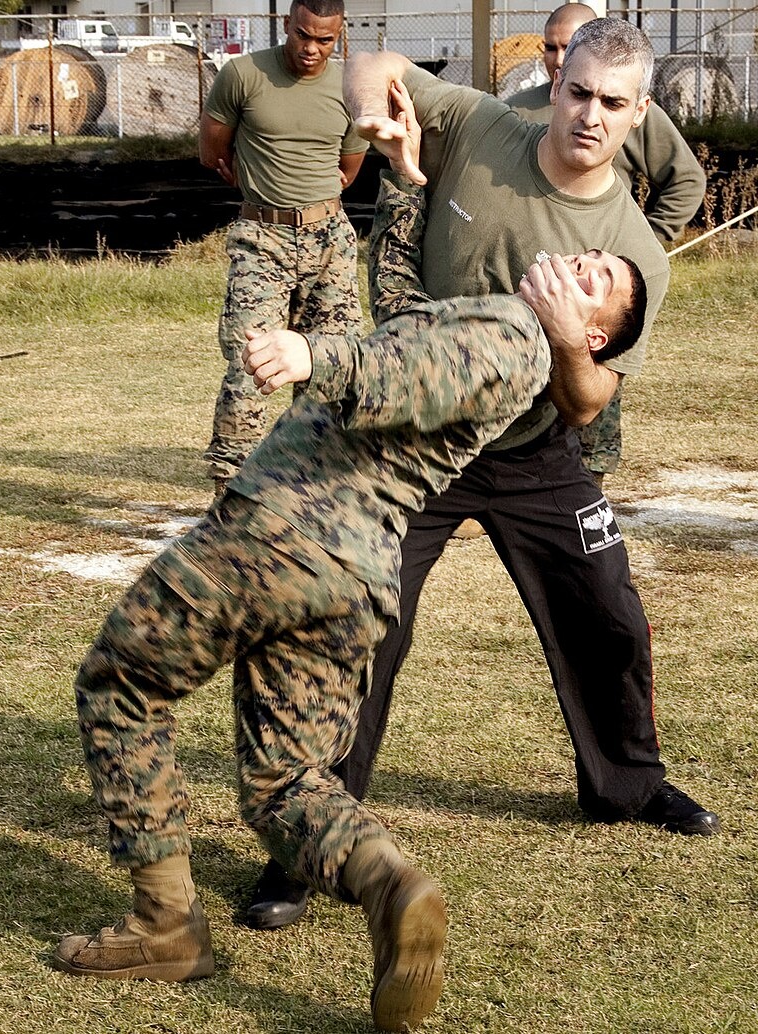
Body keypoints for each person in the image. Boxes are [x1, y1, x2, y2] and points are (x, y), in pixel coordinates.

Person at [49, 180, 648, 1034]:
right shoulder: (490, 321)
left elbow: (401, 375)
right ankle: (390, 884)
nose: (576, 264)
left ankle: (163, 923)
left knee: (121, 683)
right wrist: (405, 181)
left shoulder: (516, 338)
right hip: (352, 578)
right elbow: (402, 318)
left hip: (280, 536)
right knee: (285, 783)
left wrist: (312, 355)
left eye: (594, 281)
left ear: (589, 338)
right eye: (584, 256)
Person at [249, 17, 720, 929]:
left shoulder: (633, 252)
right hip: (419, 439)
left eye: (612, 103)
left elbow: (588, 404)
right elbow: (375, 60)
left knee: (609, 613)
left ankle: (627, 786)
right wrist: (375, 117)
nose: (589, 115)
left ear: (640, 114)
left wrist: (566, 340)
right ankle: (309, 839)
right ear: (558, 81)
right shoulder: (479, 125)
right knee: (358, 628)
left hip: (535, 451)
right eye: (578, 91)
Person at [507, 2, 707, 486]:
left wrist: (642, 248)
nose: (558, 57)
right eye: (551, 47)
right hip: (530, 292)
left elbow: (686, 180)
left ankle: (581, 491)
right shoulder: (516, 110)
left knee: (586, 431)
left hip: (595, 295)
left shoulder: (626, 107)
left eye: (568, 45)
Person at [199, 0, 369, 496]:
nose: (311, 48)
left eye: (325, 40)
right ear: (287, 25)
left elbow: (348, 169)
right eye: (302, 35)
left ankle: (318, 484)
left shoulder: (349, 87)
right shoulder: (242, 75)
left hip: (329, 241)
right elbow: (212, 151)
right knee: (249, 361)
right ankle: (232, 490)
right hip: (262, 239)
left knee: (333, 362)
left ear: (339, 35)